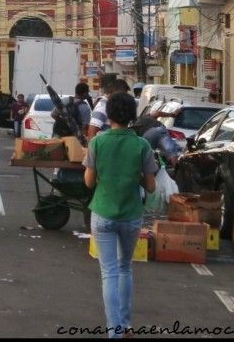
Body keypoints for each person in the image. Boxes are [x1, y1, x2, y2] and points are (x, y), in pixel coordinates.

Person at [83, 92, 159, 339]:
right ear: (132, 115)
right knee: (125, 267)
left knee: (109, 273)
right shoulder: (142, 145)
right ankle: (125, 325)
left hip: (103, 212)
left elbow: (88, 181)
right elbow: (151, 187)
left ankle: (114, 331)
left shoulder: (97, 142)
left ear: (109, 114)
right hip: (130, 215)